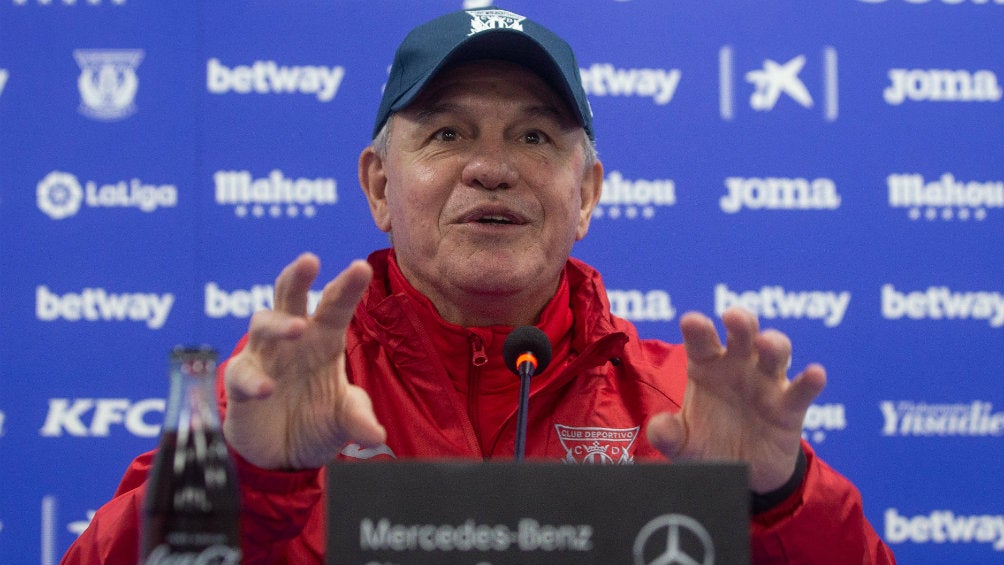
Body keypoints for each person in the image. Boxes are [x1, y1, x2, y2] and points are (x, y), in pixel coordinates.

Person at [62, 7, 895, 565]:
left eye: (534, 135)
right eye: (448, 132)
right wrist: (245, 477)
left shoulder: (682, 409)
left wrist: (779, 499)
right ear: (381, 185)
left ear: (588, 194)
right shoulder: (278, 394)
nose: (492, 168)